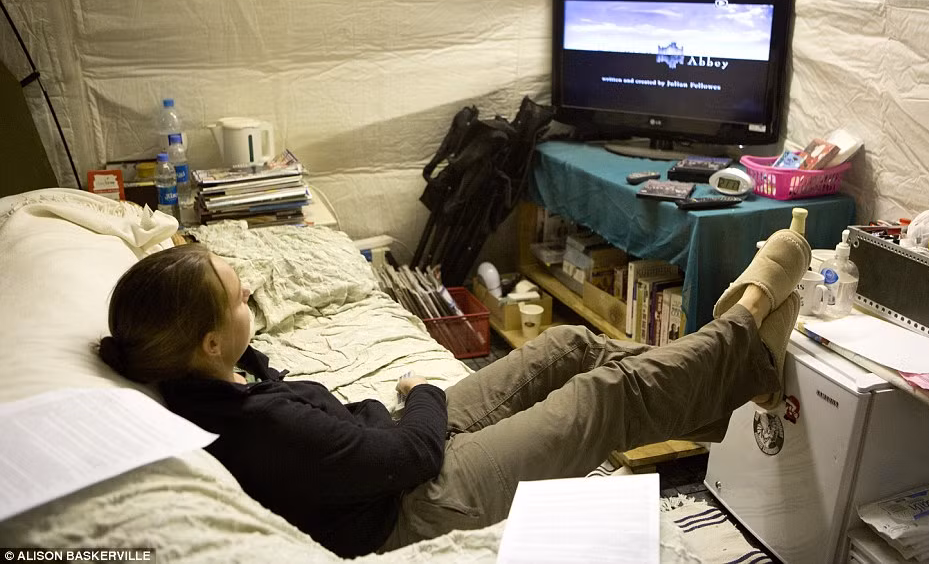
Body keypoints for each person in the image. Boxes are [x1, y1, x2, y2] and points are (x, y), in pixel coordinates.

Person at [97, 228, 810, 558]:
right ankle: (740, 330)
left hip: (387, 455)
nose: (248, 294)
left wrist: (401, 412)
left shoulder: (220, 375)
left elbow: (351, 428)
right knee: (603, 398)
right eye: (236, 297)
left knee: (565, 345)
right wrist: (421, 395)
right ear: (208, 343)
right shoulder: (254, 425)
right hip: (410, 506)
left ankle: (732, 374)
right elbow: (406, 456)